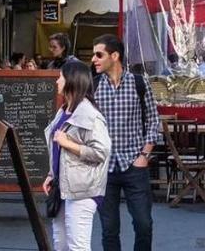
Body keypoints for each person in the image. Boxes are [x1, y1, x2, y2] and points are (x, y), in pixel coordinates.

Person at [91, 34, 160, 251]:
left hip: (134, 165)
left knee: (144, 224)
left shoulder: (139, 83)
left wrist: (144, 155)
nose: (94, 59)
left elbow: (153, 119)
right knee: (109, 229)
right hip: (105, 168)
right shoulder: (92, 86)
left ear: (115, 56)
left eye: (98, 54)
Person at [43, 60, 112, 251]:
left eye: (61, 77)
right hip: (63, 188)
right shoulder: (65, 110)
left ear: (72, 81)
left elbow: (102, 151)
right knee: (62, 245)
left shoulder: (90, 114)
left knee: (77, 246)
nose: (57, 81)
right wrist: (52, 174)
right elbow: (58, 149)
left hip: (82, 191)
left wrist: (68, 143)